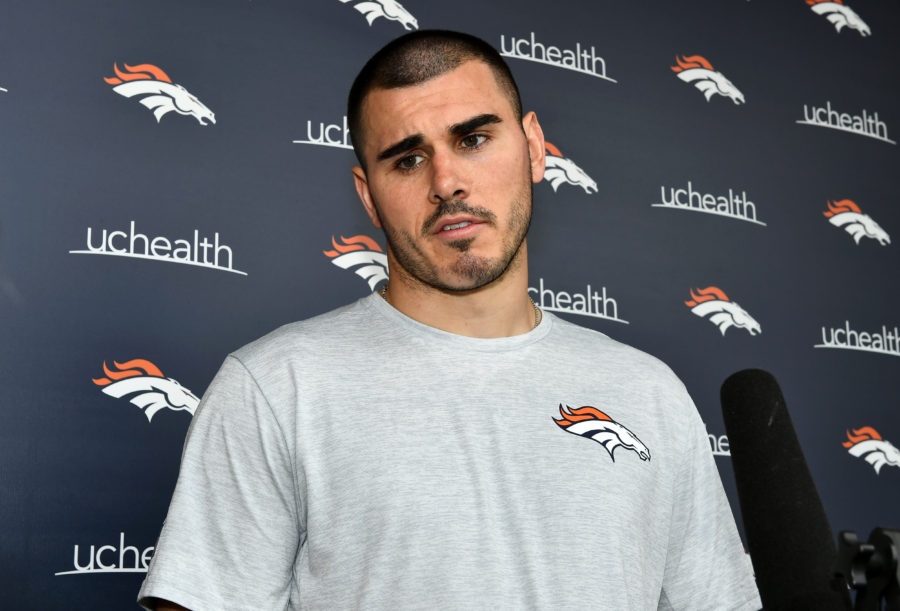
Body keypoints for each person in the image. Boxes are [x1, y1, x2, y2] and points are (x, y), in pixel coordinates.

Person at [138, 30, 761, 610]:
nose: (447, 181)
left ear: (536, 147)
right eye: (407, 159)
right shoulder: (276, 387)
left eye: (473, 139)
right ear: (367, 194)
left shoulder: (649, 393)